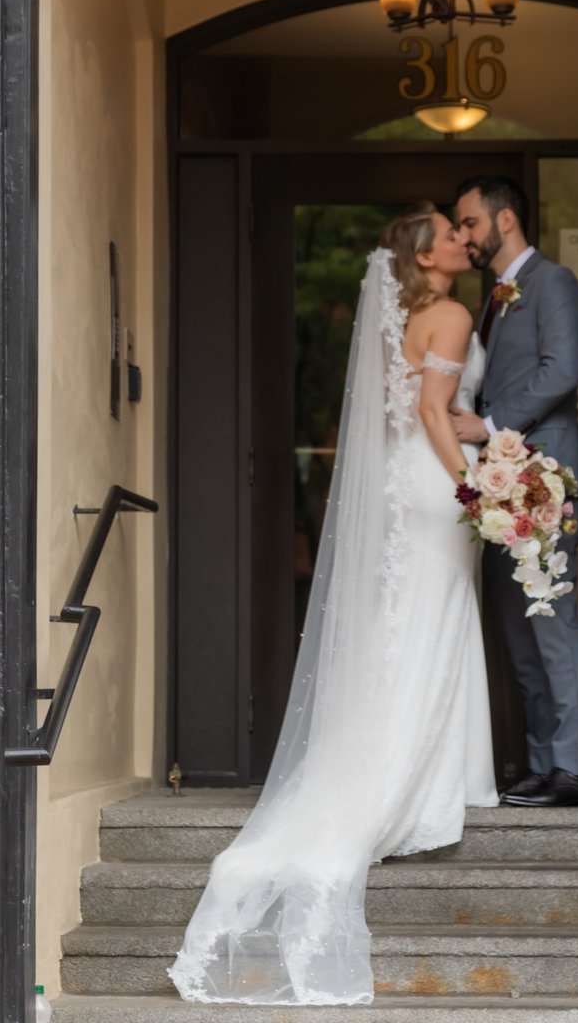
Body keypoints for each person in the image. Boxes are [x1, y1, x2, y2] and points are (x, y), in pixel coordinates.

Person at [169, 204, 497, 1006]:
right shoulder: (451, 312)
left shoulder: (408, 319)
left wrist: (475, 439)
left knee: (409, 625)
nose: (463, 239)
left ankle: (418, 774)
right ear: (424, 258)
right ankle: (423, 788)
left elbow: (416, 410)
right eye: (449, 235)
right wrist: (478, 485)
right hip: (436, 484)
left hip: (406, 488)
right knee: (434, 621)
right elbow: (428, 415)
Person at [451, 175, 578, 808]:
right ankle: (544, 763)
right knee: (519, 632)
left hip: (548, 478)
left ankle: (577, 770)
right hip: (501, 486)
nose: (463, 235)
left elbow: (560, 372)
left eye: (468, 223)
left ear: (504, 219)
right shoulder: (496, 297)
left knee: (553, 622)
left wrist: (488, 425)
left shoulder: (555, 283)